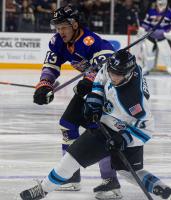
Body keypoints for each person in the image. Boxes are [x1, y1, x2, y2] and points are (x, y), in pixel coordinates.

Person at [19, 50, 171, 200]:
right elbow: (100, 79)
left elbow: (146, 130)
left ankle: (167, 193)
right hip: (105, 124)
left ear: (130, 73)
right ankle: (42, 189)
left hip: (126, 131)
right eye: (112, 71)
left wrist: (123, 139)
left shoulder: (134, 101)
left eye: (118, 75)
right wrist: (94, 103)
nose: (113, 76)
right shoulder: (112, 67)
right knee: (71, 159)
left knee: (130, 173)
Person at [32, 4, 122, 199]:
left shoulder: (91, 41)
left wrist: (89, 79)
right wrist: (45, 84)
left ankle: (110, 181)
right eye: (57, 27)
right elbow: (51, 65)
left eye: (63, 27)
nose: (60, 31)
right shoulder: (57, 41)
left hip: (106, 90)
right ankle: (71, 176)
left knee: (99, 132)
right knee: (68, 124)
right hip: (88, 89)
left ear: (75, 24)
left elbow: (105, 66)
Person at [138, 0, 171, 75]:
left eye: (162, 5)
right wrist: (142, 29)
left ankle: (169, 68)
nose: (160, 6)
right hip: (150, 36)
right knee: (148, 54)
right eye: (159, 4)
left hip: (162, 37)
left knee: (166, 54)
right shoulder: (151, 11)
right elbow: (146, 22)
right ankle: (147, 68)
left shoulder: (169, 12)